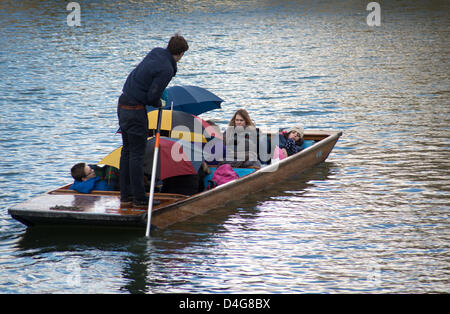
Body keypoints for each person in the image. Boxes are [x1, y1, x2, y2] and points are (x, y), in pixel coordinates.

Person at [117, 34, 189, 207]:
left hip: (122, 105)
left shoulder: (156, 52)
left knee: (126, 152)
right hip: (135, 111)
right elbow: (152, 96)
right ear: (180, 54)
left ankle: (125, 196)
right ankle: (140, 199)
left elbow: (144, 79)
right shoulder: (167, 69)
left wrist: (154, 96)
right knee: (136, 155)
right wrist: (159, 102)